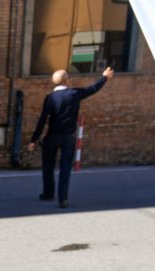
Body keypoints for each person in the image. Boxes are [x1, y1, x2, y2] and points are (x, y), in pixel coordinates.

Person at [27, 66, 115, 208]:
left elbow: (42, 120)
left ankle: (48, 193)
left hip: (52, 136)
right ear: (67, 80)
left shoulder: (50, 98)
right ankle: (63, 199)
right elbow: (93, 89)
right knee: (65, 168)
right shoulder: (74, 94)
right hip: (68, 137)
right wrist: (104, 77)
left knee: (48, 166)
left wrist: (33, 140)